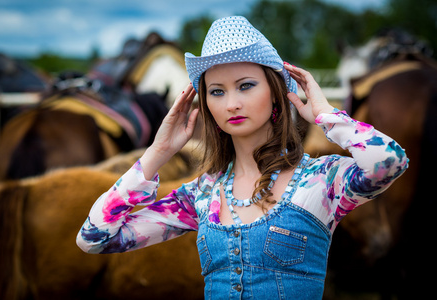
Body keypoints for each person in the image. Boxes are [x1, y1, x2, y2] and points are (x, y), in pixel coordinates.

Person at [77, 16, 408, 299]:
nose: (231, 103)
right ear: (206, 104)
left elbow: (390, 162)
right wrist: (158, 152)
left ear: (275, 93)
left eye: (246, 86)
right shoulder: (200, 196)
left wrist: (325, 115)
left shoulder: (322, 181)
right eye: (217, 91)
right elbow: (94, 238)